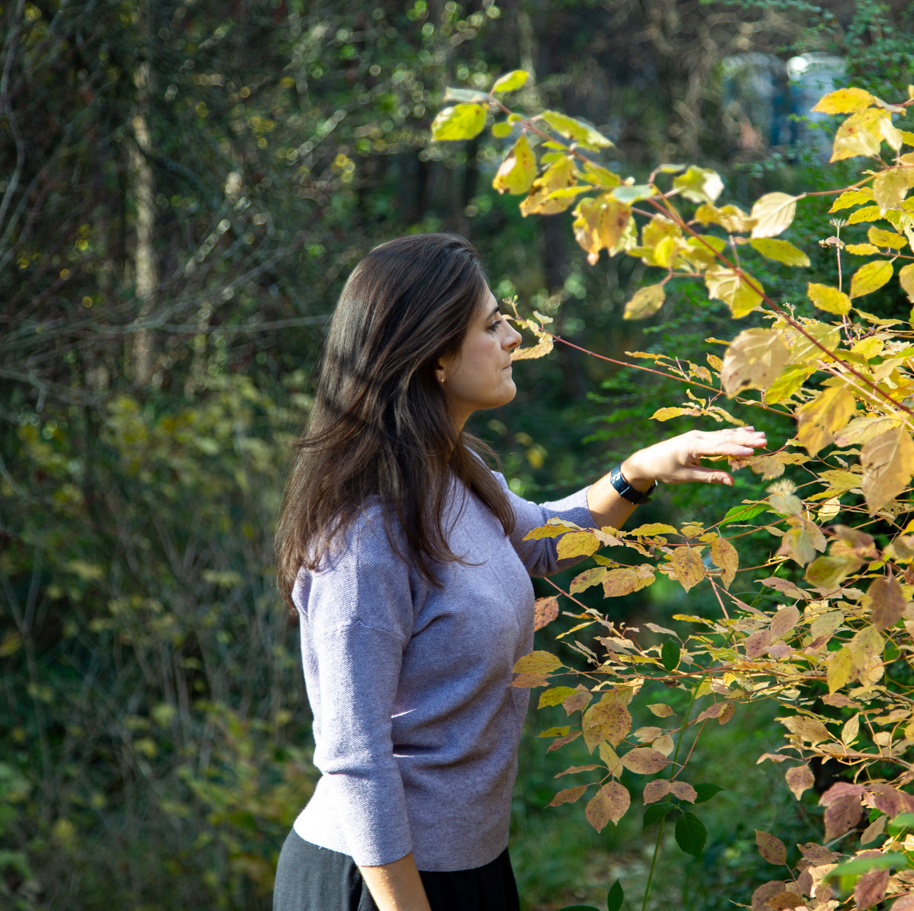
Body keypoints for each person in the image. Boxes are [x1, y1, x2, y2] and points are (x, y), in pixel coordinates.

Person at [271, 233, 766, 911]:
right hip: (381, 880)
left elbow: (541, 540)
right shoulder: (364, 539)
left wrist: (642, 470)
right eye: (491, 323)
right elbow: (356, 758)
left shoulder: (453, 477)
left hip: (469, 864)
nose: (513, 337)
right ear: (435, 357)